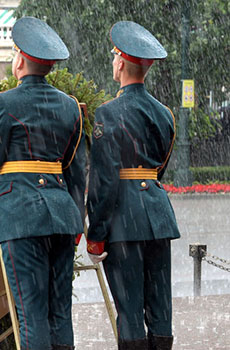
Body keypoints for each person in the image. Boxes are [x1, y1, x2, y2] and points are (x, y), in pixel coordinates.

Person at [0, 17, 86, 350]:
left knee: (30, 314)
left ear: (21, 59)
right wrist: (77, 215)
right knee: (60, 313)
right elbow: (73, 165)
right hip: (62, 214)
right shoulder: (70, 107)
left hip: (24, 215)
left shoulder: (4, 104)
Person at [86, 21, 180, 350]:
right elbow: (159, 169)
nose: (113, 63)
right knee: (160, 309)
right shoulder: (165, 113)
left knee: (129, 311)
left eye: (114, 57)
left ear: (122, 62)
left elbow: (104, 180)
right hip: (158, 215)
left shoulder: (107, 114)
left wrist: (95, 235)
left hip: (123, 223)